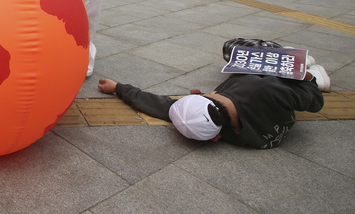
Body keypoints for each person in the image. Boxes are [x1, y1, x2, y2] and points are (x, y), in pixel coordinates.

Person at [96, 56, 329, 149]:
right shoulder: (268, 90)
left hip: (266, 95)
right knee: (237, 50)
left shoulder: (232, 135)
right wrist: (305, 77)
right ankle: (312, 69)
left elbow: (156, 104)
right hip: (279, 81)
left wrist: (118, 88)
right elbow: (316, 102)